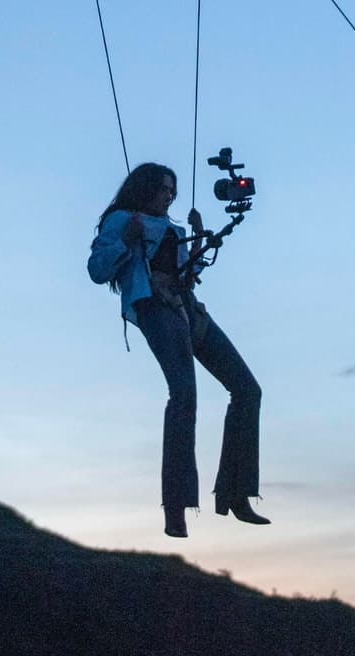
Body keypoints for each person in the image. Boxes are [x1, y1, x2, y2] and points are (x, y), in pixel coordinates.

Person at [88, 162, 269, 538]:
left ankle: (235, 494)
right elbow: (97, 269)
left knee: (247, 389)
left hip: (188, 307)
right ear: (145, 189)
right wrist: (126, 239)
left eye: (173, 190)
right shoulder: (122, 219)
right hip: (155, 306)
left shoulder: (174, 227)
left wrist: (200, 238)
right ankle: (177, 507)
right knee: (184, 396)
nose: (169, 196)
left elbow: (187, 269)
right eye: (163, 189)